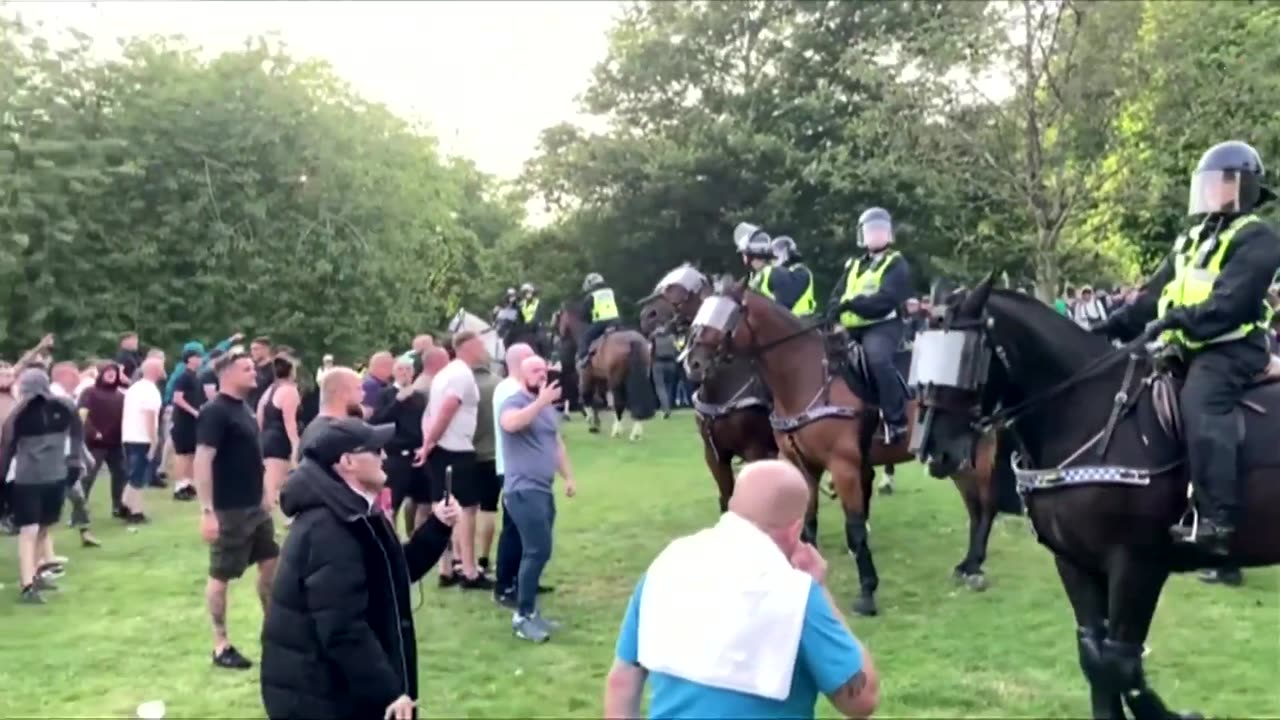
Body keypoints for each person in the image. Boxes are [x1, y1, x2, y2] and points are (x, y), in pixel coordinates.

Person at [1094, 140, 1279, 554]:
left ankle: (1217, 520)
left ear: (1247, 188)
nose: (1214, 192)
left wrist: (1177, 319)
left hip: (1231, 348)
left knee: (1201, 402)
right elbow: (1151, 297)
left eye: (1224, 183)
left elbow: (1229, 305)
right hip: (1186, 347)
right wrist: (1109, 325)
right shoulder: (1191, 239)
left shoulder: (1259, 238)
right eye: (1209, 184)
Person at [604, 460, 878, 719]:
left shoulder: (666, 564)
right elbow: (861, 699)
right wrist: (820, 588)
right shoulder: (796, 593)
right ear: (795, 530)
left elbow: (622, 682)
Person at [259, 418, 460, 720]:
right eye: (375, 449)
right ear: (347, 462)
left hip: (338, 689)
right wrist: (389, 692)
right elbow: (342, 628)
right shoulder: (330, 527)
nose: (383, 456)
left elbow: (392, 574)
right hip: (322, 697)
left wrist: (437, 527)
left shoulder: (357, 511)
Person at [195, 350, 279, 670]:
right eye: (246, 369)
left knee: (271, 562)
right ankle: (220, 645)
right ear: (227, 374)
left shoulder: (242, 407)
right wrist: (207, 511)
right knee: (221, 574)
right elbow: (203, 459)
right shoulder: (214, 411)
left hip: (254, 505)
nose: (254, 373)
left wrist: (264, 493)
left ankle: (274, 629)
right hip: (228, 508)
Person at [498, 354, 577, 642]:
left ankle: (531, 611)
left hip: (543, 489)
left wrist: (568, 477)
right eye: (534, 371)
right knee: (536, 550)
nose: (541, 375)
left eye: (544, 371)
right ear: (521, 374)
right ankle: (522, 616)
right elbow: (510, 424)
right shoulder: (515, 402)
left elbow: (556, 445)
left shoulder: (547, 410)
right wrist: (541, 402)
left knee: (540, 551)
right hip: (521, 489)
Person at [827, 207, 912, 444]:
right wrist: (834, 317)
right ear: (862, 236)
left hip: (882, 325)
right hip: (851, 329)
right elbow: (836, 297)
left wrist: (852, 304)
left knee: (878, 360)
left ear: (889, 234)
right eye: (871, 231)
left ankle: (896, 421)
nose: (876, 235)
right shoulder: (853, 265)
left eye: (881, 230)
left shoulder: (896, 263)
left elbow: (885, 301)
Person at [0, 368, 85, 604]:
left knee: (36, 529)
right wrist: (74, 463)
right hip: (50, 477)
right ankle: (27, 584)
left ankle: (32, 578)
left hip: (33, 479)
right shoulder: (63, 407)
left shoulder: (21, 413)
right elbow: (78, 435)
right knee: (36, 529)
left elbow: (6, 449)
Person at [415, 330, 490, 589]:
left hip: (442, 449)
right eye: (480, 343)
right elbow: (448, 407)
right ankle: (469, 571)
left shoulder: (443, 374)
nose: (483, 348)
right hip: (455, 448)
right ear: (467, 346)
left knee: (442, 506)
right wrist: (429, 443)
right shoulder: (461, 374)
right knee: (466, 510)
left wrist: (428, 444)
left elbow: (428, 413)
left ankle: (446, 567)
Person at [491, 343, 536, 607]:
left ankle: (523, 578)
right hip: (512, 469)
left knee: (526, 529)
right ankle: (505, 584)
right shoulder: (510, 389)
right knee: (514, 529)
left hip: (521, 468)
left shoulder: (516, 389)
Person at [370, 355, 426, 534]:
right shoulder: (385, 394)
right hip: (395, 457)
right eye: (401, 369)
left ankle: (415, 540)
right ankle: (390, 541)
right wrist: (397, 401)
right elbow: (377, 420)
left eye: (408, 369)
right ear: (394, 372)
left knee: (422, 502)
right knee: (391, 505)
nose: (404, 373)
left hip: (417, 455)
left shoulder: (419, 397)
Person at [77, 361, 127, 544]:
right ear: (101, 373)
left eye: (114, 372)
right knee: (88, 478)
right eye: (108, 371)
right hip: (95, 444)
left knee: (121, 474)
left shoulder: (120, 396)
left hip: (115, 443)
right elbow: (82, 415)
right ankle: (79, 512)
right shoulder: (89, 393)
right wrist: (92, 432)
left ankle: (118, 506)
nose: (111, 374)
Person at [120, 358, 165, 522]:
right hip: (142, 437)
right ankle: (135, 511)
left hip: (129, 435)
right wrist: (154, 440)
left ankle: (125, 505)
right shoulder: (150, 390)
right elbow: (149, 416)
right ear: (155, 370)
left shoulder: (134, 388)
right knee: (138, 476)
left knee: (134, 473)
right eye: (161, 367)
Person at [257, 352, 301, 514]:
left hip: (267, 438)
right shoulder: (289, 391)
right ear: (291, 371)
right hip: (280, 441)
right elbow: (290, 421)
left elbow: (260, 414)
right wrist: (295, 444)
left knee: (270, 485)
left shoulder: (270, 389)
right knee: (275, 487)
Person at [575, 272, 621, 370]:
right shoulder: (611, 291)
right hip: (616, 321)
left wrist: (589, 319)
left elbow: (584, 314)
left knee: (584, 338)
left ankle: (583, 359)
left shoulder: (591, 295)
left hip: (601, 323)